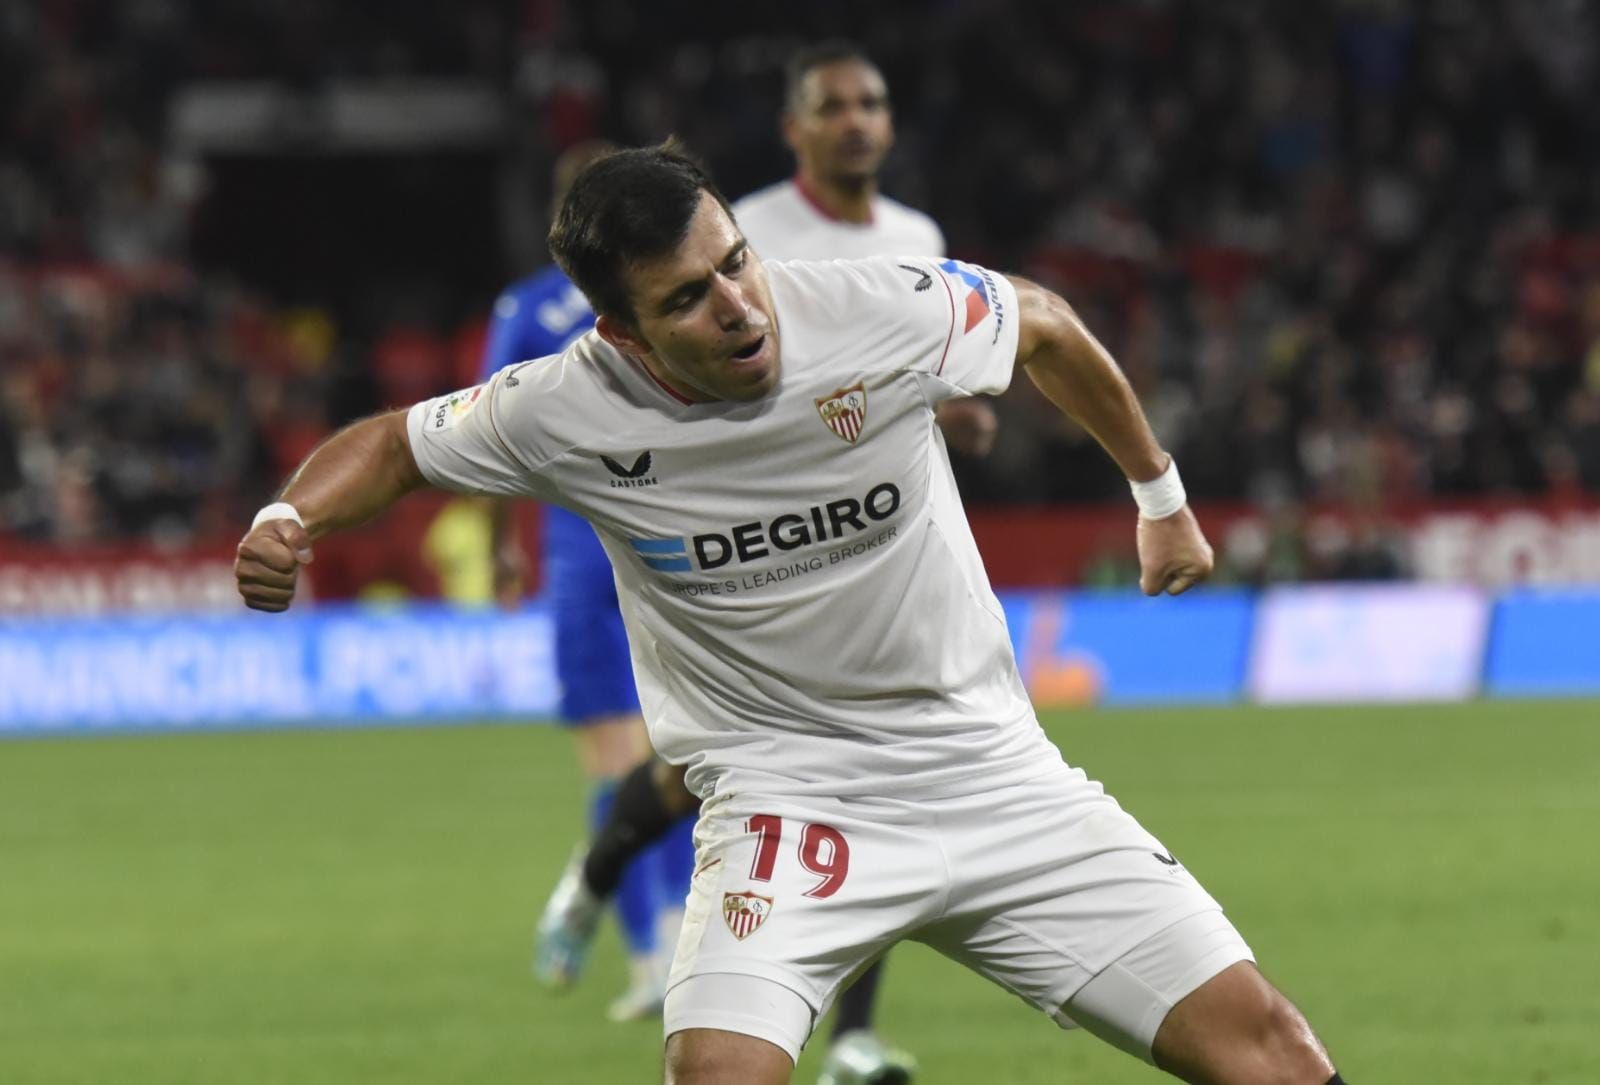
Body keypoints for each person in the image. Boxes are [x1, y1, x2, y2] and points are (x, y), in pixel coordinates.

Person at [235, 143, 1349, 1085]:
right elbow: (391, 443)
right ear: (621, 334)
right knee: (712, 1071)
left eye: (736, 263)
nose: (737, 307)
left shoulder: (876, 308)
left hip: (990, 774)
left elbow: (1046, 325)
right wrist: (290, 514)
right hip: (786, 799)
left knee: (1276, 1057)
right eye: (686, 297)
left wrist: (1159, 496)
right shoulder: (562, 405)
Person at [536, 41, 990, 1082]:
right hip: (751, 554)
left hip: (877, 551)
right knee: (696, 776)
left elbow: (910, 371)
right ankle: (599, 867)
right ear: (795, 128)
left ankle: (856, 1035)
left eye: (873, 103)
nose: (858, 122)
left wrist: (955, 417)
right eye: (834, 107)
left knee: (881, 766)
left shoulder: (916, 235)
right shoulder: (741, 232)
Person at [482, 141, 696, 1022]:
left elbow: (490, 426)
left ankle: (650, 958)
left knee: (625, 768)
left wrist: (504, 548)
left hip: (587, 560)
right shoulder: (672, 295)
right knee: (679, 761)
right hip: (668, 547)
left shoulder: (529, 307)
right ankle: (679, 948)